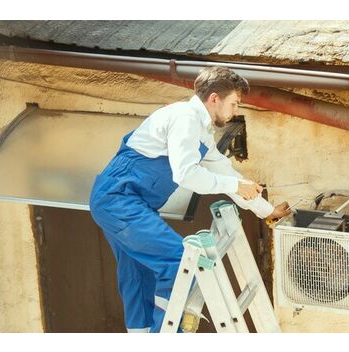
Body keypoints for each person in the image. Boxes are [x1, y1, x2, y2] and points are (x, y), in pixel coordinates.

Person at [89, 66, 291, 333]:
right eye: (234, 103)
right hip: (119, 199)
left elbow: (226, 173)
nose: (235, 111)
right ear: (215, 99)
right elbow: (186, 174)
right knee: (180, 261)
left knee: (137, 274)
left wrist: (266, 210)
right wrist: (234, 184)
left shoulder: (202, 133)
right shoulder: (183, 118)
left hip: (128, 202)